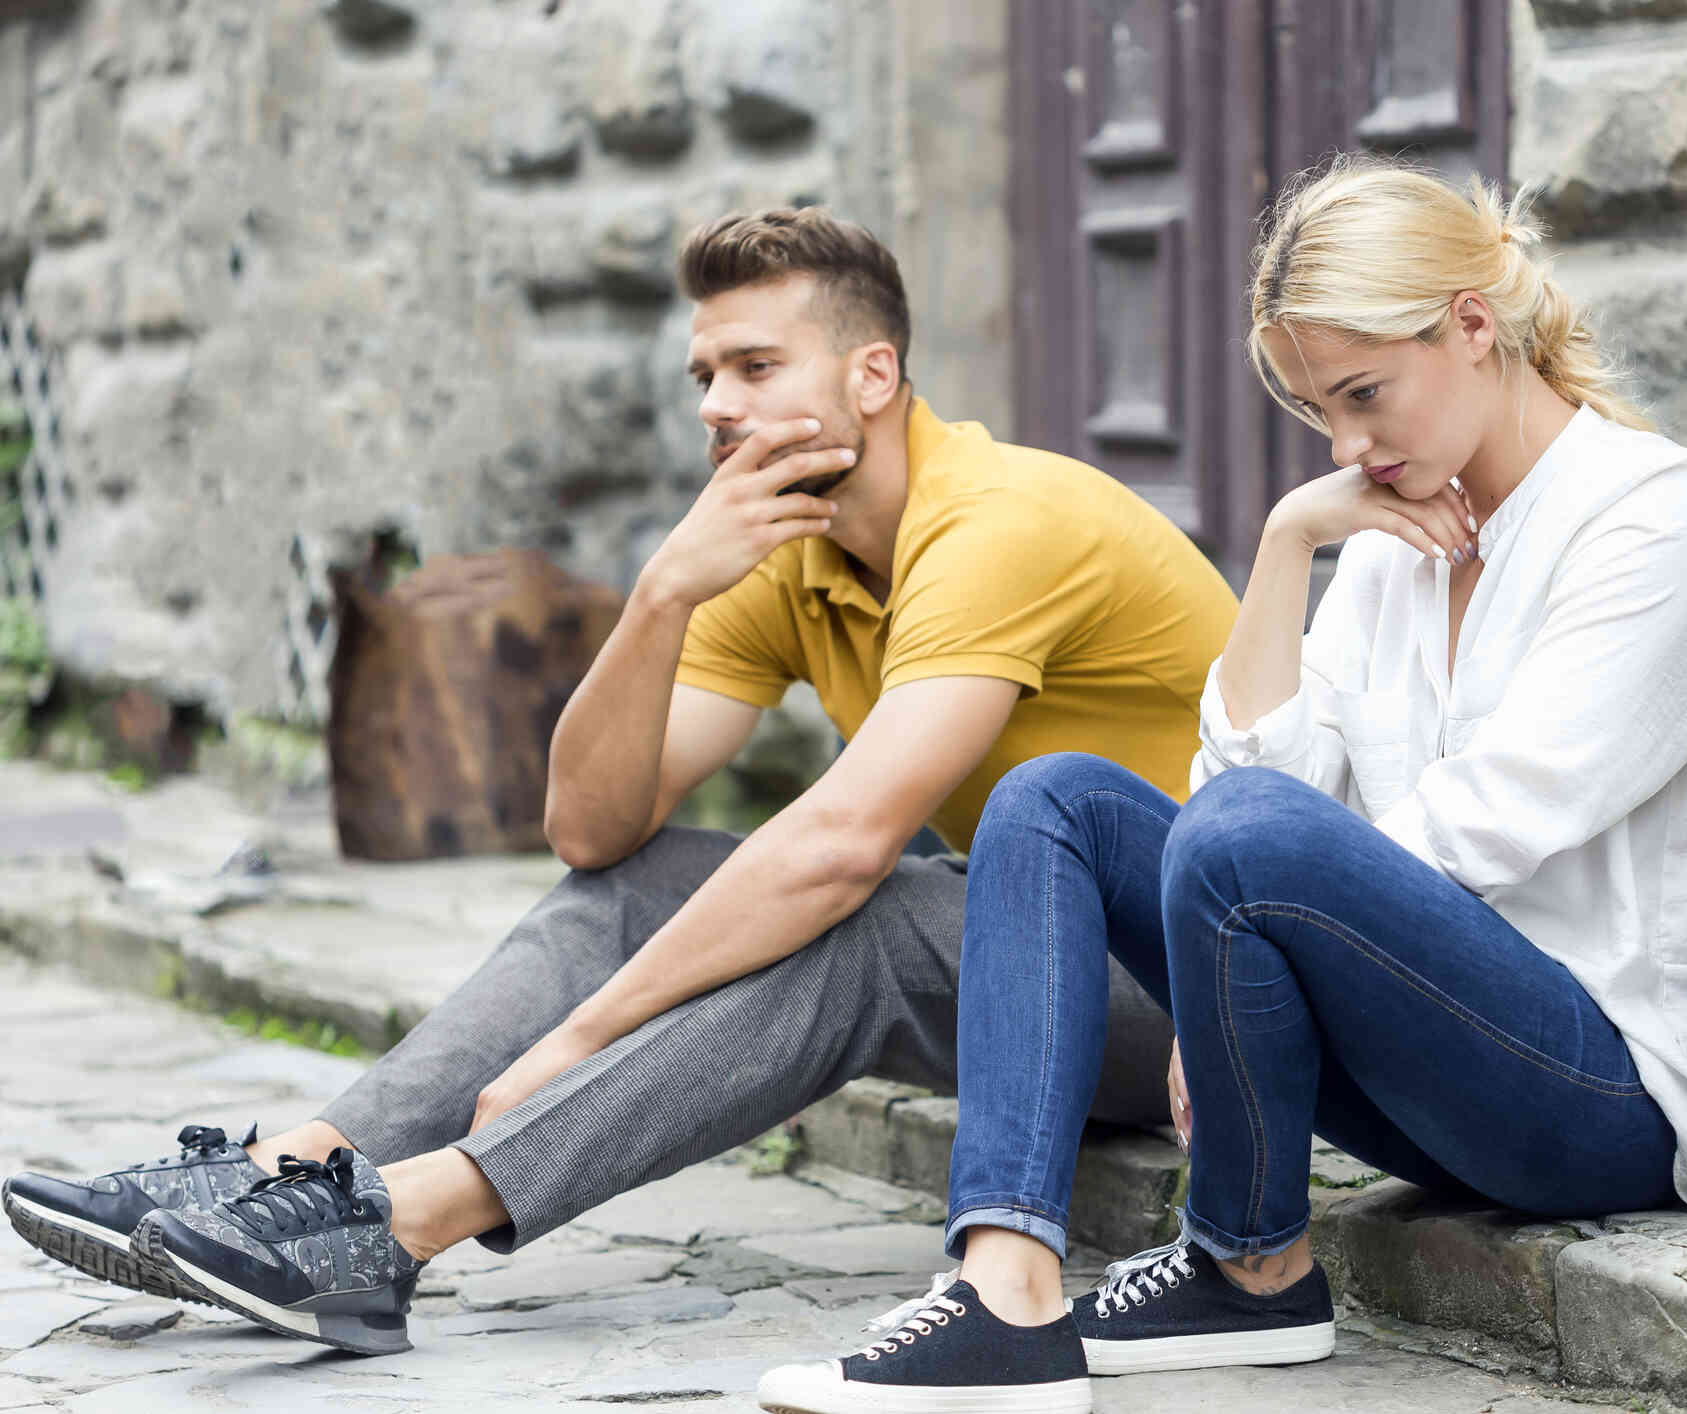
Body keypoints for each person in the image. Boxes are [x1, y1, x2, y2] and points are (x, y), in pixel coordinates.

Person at [2, 207, 1238, 1358]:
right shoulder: (780, 544)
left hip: (1191, 1002)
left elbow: (845, 844)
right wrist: (664, 590)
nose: (718, 403)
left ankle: (398, 1225)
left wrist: (577, 1038)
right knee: (642, 885)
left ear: (873, 376)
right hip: (1028, 965)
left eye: (757, 367)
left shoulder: (999, 521)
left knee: (857, 912)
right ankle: (299, 1171)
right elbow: (592, 827)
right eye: (706, 375)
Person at [757, 154, 1687, 1414]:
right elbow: (1249, 785)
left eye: (1363, 394)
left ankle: (1243, 1256)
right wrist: (1291, 540)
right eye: (1316, 415)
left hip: (1615, 1100)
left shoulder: (1649, 511)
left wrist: (1251, 920)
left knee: (1242, 836)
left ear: (1470, 324)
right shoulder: (1394, 532)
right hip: (1433, 1069)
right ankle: (1008, 1286)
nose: (1350, 444)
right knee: (1053, 798)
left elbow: (1501, 809)